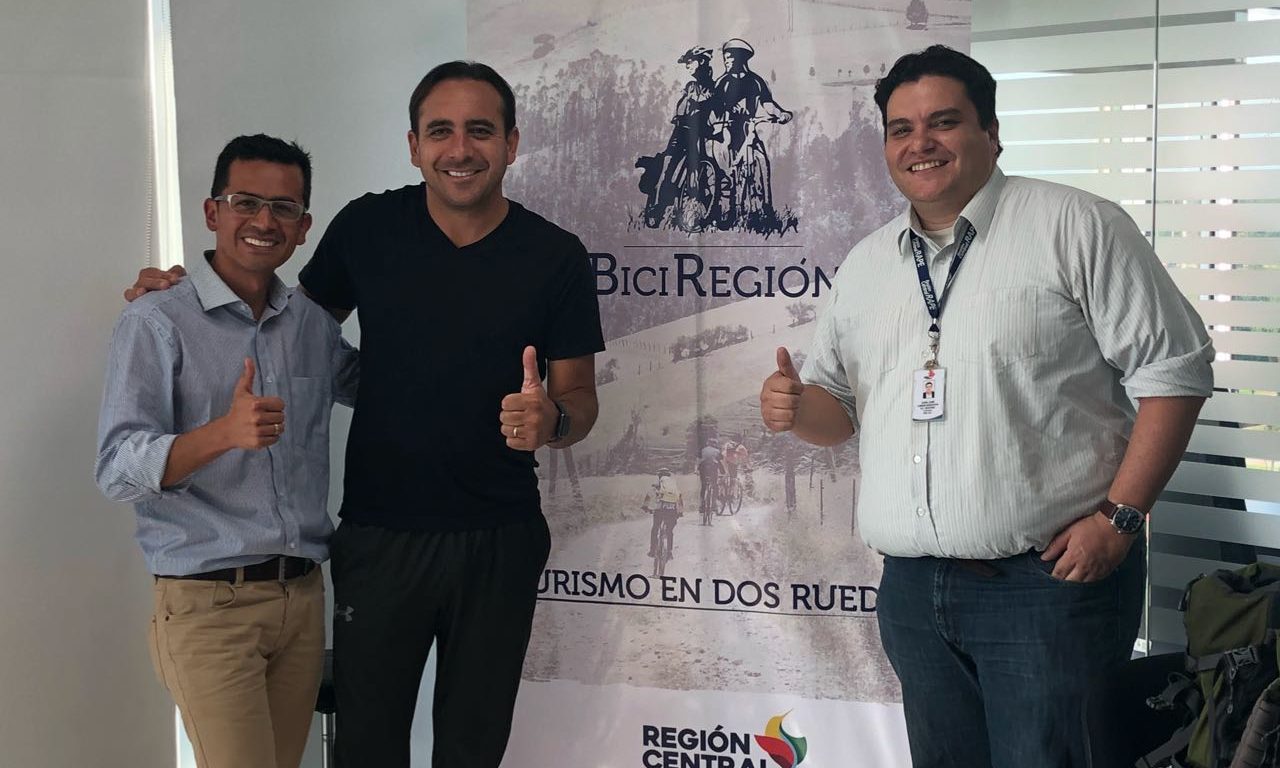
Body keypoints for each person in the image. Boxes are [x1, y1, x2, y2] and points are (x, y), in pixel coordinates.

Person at [126, 62, 604, 768]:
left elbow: (580, 400)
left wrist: (552, 423)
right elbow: (284, 330)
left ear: (511, 143)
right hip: (380, 539)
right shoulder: (368, 228)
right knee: (366, 749)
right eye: (440, 131)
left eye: (480, 130)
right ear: (414, 146)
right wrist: (185, 294)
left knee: (473, 749)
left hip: (499, 538)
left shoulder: (555, 256)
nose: (460, 148)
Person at [758, 45, 1213, 768]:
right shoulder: (867, 263)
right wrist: (793, 407)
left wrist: (1120, 519)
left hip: (1048, 588)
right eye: (901, 129)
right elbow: (838, 412)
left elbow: (1176, 372)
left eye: (943, 122)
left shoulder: (1076, 225)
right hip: (913, 592)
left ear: (991, 132)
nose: (920, 143)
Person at [97, 134, 358, 768]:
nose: (264, 221)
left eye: (284, 208)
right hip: (209, 606)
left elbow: (385, 390)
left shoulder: (312, 326)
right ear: (213, 212)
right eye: (246, 202)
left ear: (303, 228)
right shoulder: (156, 321)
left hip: (302, 599)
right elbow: (117, 468)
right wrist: (223, 433)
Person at [710, 38, 792, 223]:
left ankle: (766, 208)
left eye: (730, 57)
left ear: (741, 58)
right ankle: (727, 206)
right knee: (727, 166)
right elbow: (713, 106)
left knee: (761, 158)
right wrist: (727, 109)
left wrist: (781, 114)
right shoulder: (722, 82)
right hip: (726, 127)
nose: (726, 61)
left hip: (748, 127)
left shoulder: (756, 81)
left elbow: (768, 103)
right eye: (725, 57)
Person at [645, 468, 683, 560]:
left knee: (655, 528)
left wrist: (645, 507)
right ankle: (669, 553)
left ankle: (652, 550)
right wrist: (680, 512)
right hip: (672, 510)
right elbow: (680, 498)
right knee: (669, 531)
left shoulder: (658, 485)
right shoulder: (673, 485)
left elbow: (649, 495)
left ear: (659, 476)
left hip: (661, 510)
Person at [697, 437, 722, 521]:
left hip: (703, 468)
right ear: (715, 444)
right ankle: (714, 504)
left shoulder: (703, 450)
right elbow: (720, 461)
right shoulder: (717, 451)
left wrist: (696, 469)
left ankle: (702, 504)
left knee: (703, 486)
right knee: (715, 486)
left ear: (707, 443)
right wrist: (723, 471)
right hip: (713, 468)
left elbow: (698, 460)